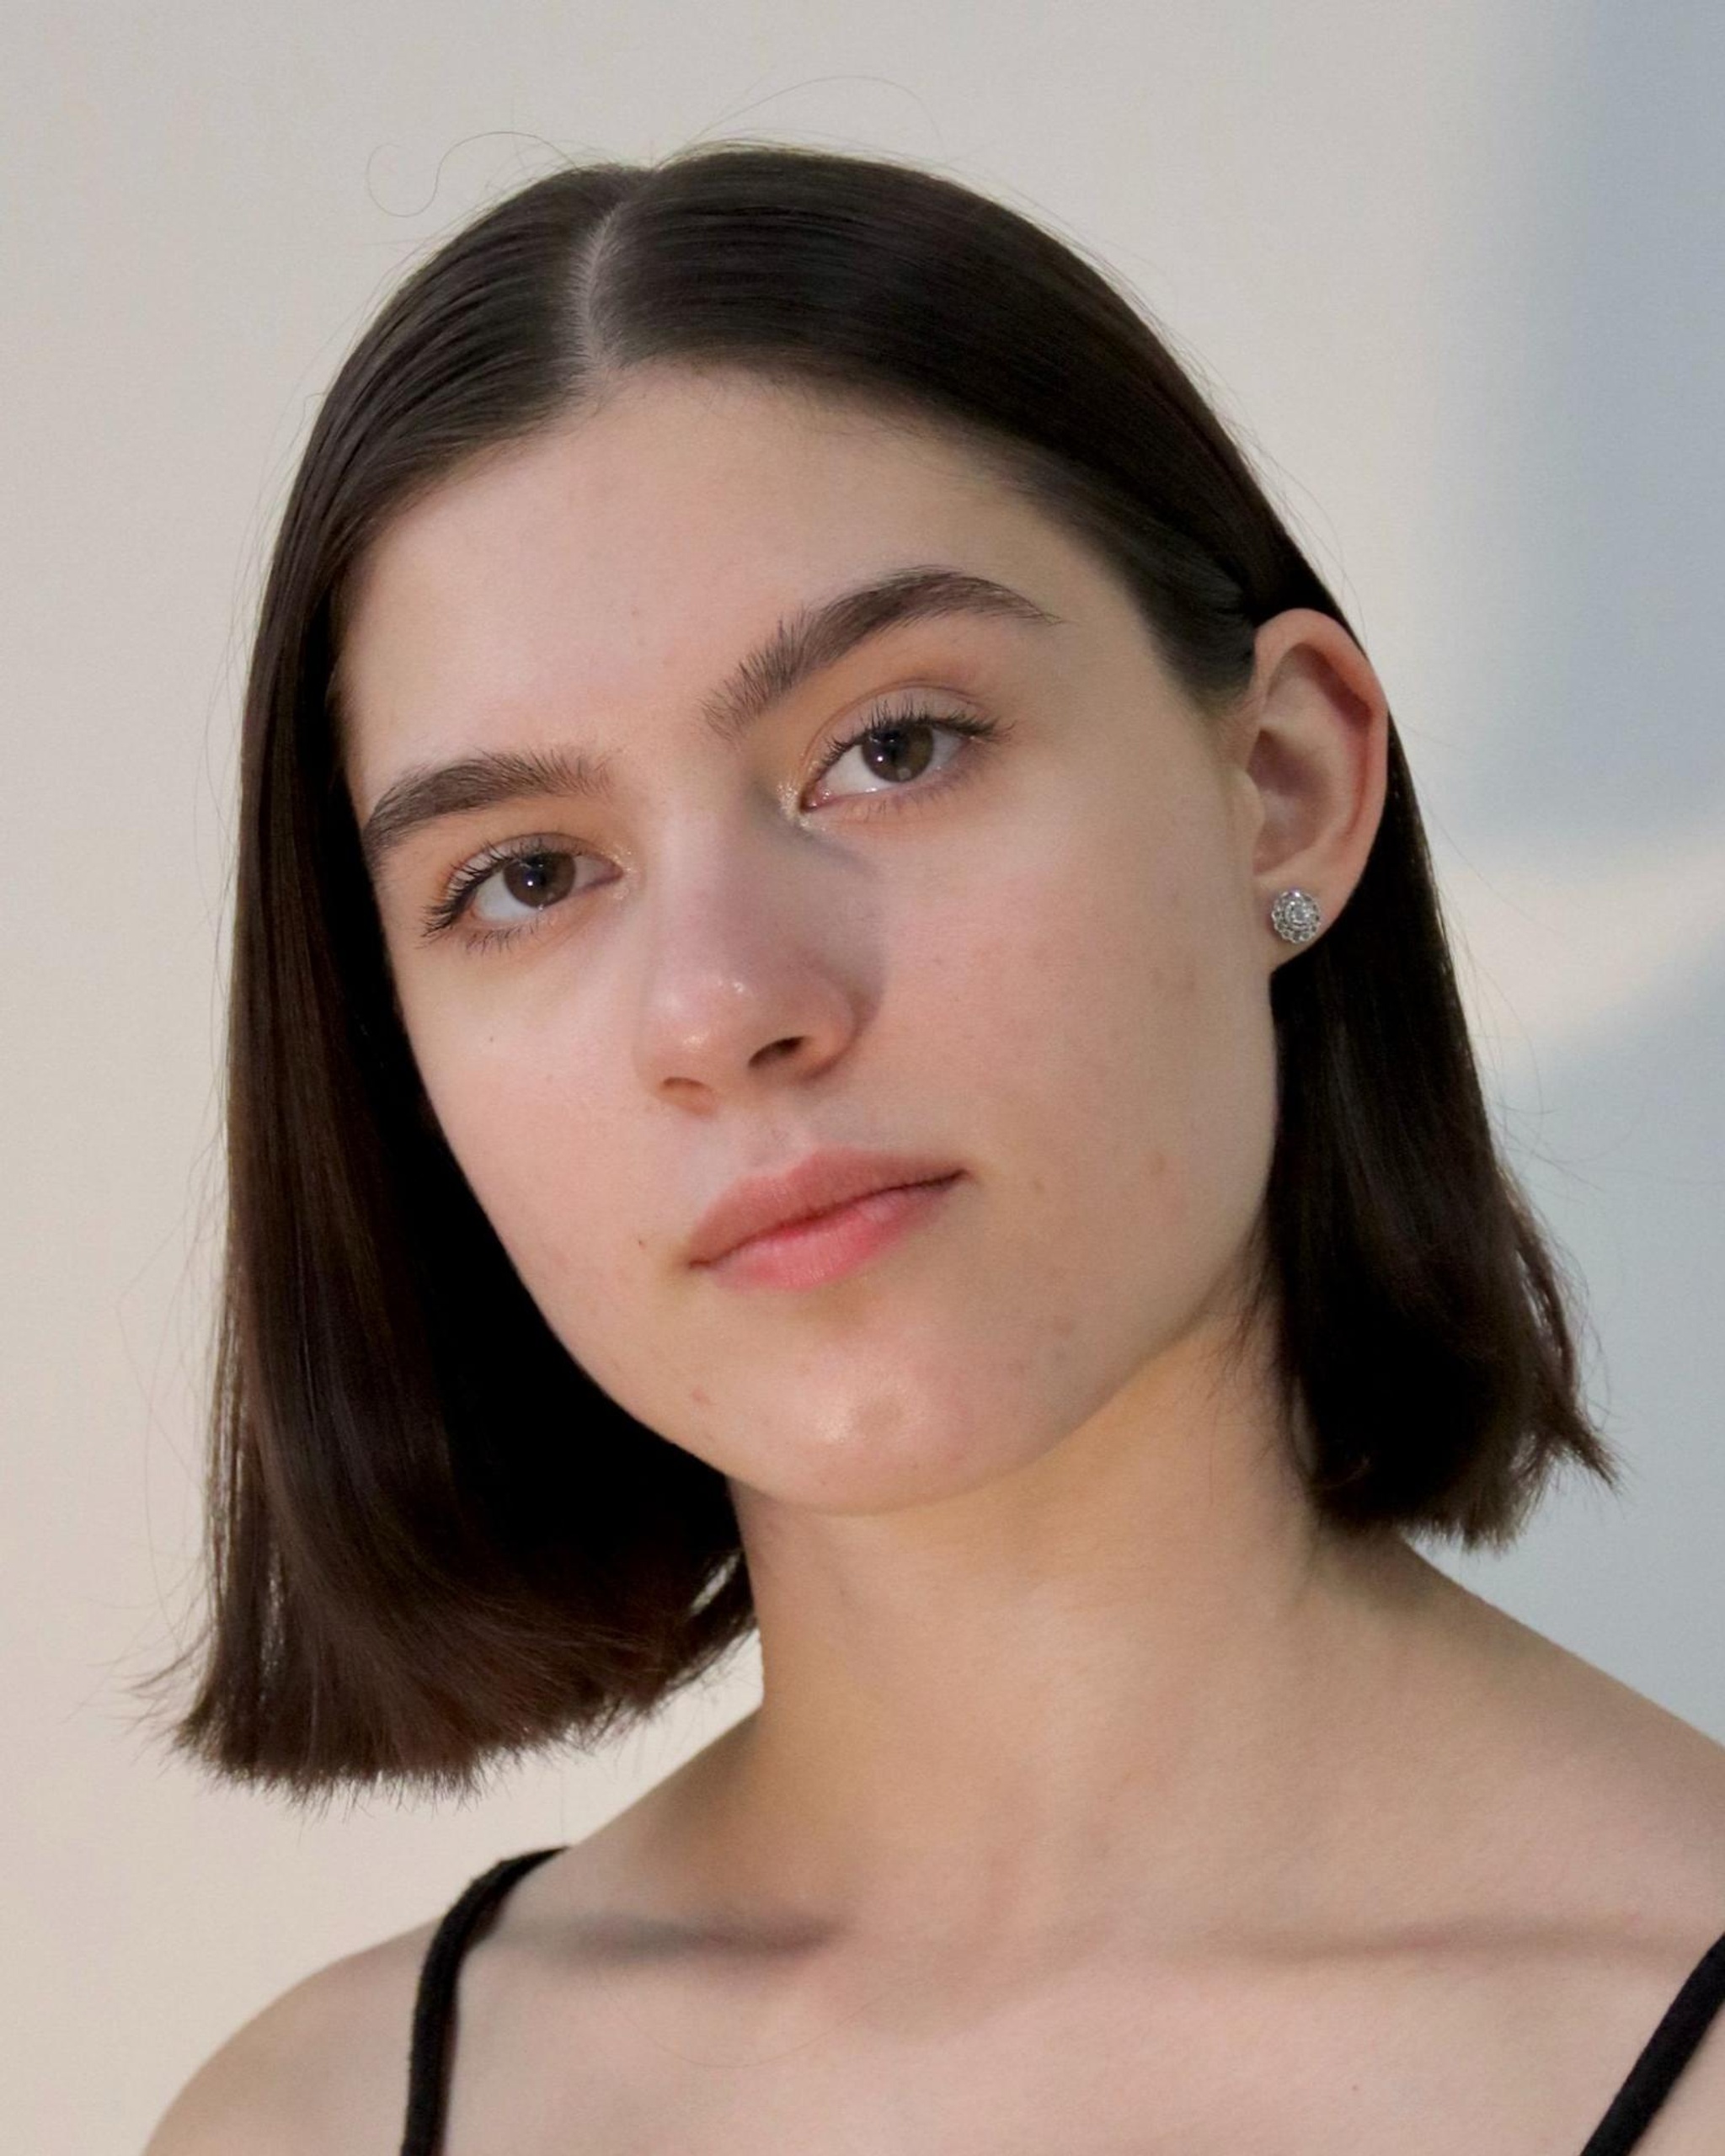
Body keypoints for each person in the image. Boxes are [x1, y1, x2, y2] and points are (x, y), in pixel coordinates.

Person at [143, 141, 1725, 2153]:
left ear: (1282, 785)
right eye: (529, 874)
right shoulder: (317, 2120)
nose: (725, 1005)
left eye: (891, 745)